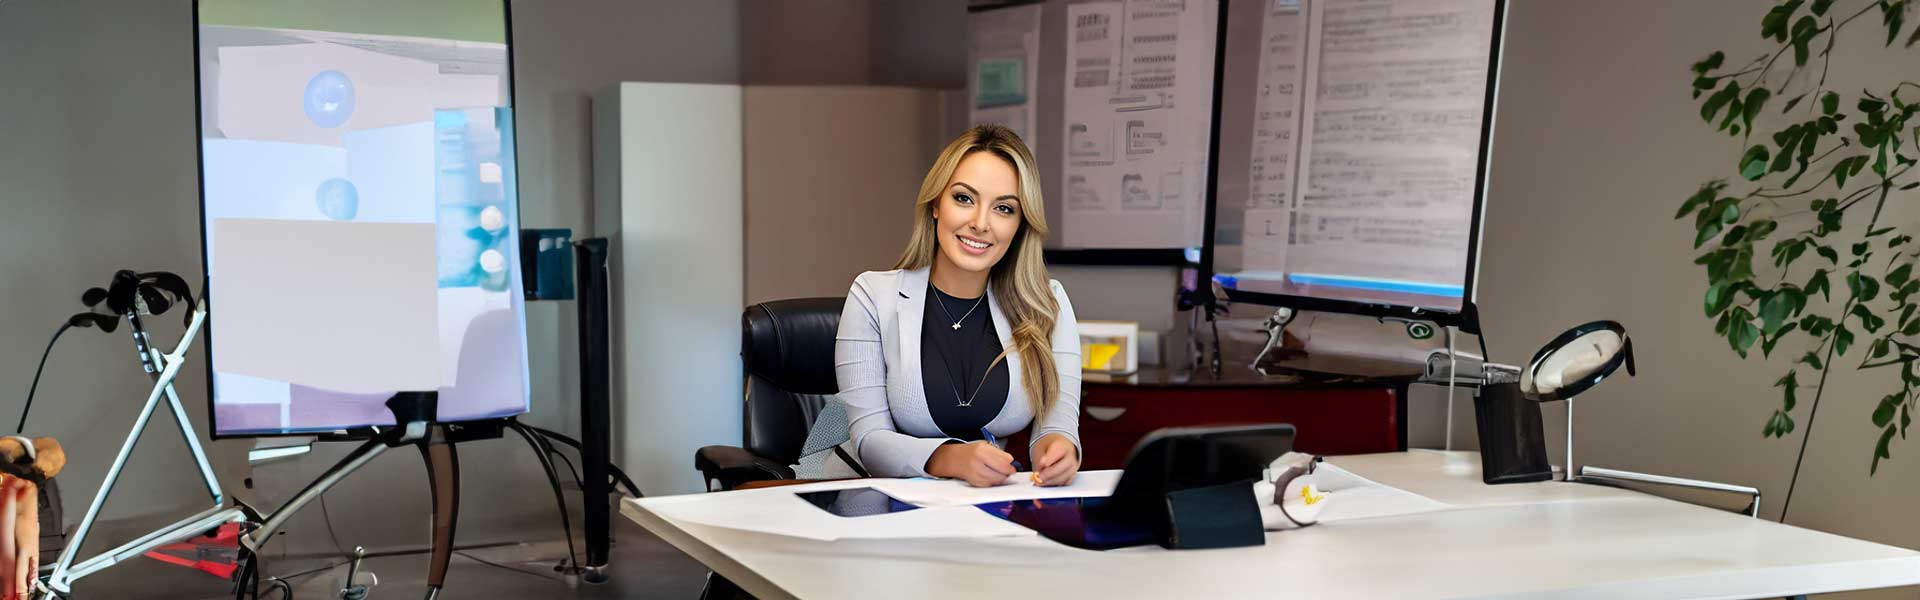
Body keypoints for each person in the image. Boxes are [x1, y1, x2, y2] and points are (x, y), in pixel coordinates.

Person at [834, 124, 1081, 488]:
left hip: (983, 506)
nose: (980, 224)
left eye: (1004, 208)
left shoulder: (1046, 302)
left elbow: (1056, 427)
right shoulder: (873, 295)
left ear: (1020, 224)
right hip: (870, 504)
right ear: (936, 204)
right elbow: (870, 441)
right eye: (964, 198)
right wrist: (951, 457)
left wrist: (1060, 451)